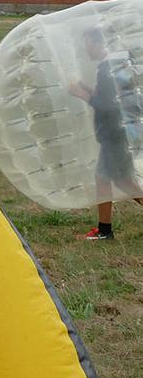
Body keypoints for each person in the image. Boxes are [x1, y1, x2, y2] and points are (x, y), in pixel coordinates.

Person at [69, 29, 143, 240]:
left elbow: (108, 106)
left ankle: (104, 230)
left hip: (115, 133)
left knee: (107, 178)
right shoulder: (114, 65)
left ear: (96, 42)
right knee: (122, 181)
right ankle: (104, 229)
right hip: (119, 131)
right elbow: (112, 99)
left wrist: (80, 94)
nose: (86, 49)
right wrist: (88, 89)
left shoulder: (107, 68)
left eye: (87, 44)